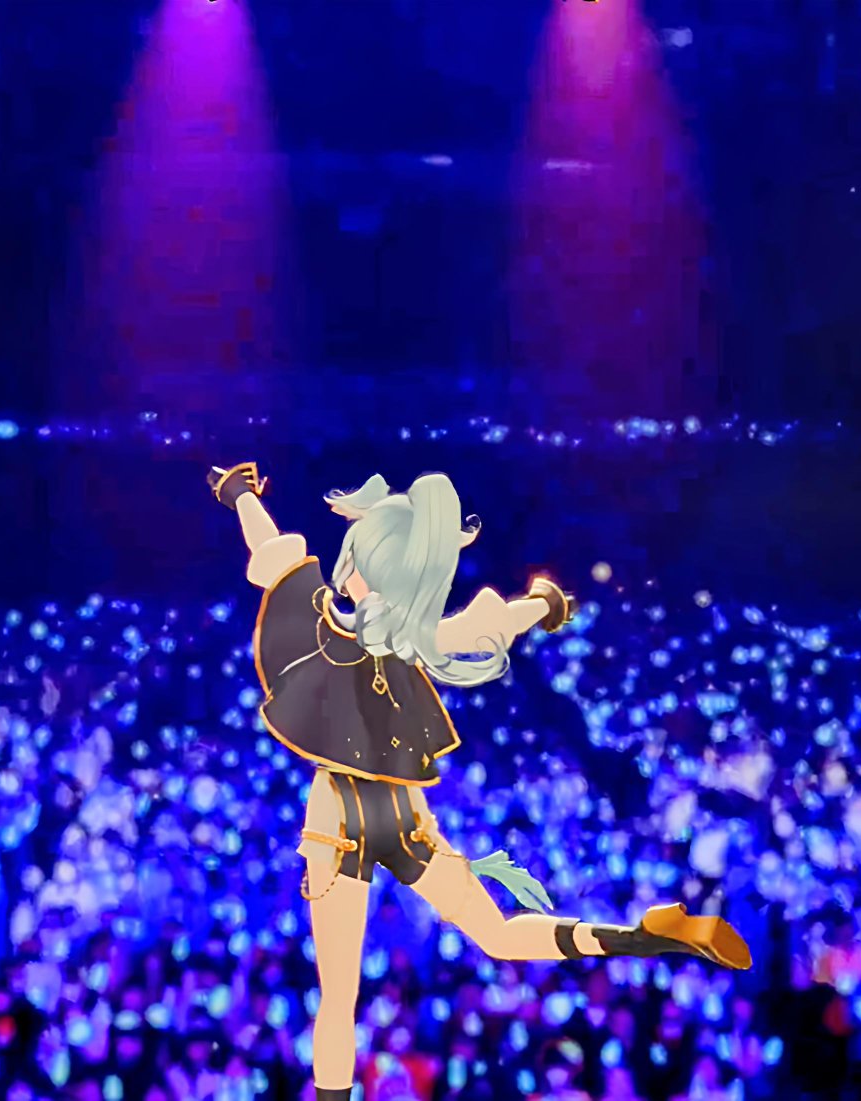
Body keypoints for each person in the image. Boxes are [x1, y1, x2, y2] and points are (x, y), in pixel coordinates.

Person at [206, 462, 753, 1101]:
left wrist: (240, 494)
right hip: (403, 814)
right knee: (496, 936)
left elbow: (271, 547)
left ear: (355, 564)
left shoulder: (323, 617)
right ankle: (639, 936)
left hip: (339, 817)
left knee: (339, 995)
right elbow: (489, 627)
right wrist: (543, 604)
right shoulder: (416, 638)